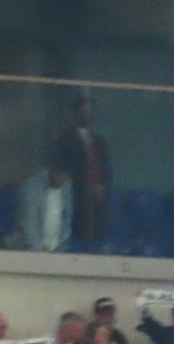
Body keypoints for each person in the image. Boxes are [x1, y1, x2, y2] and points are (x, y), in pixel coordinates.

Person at [52, 96, 111, 251]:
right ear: (76, 113)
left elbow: (105, 168)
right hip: (76, 197)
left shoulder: (99, 141)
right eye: (84, 111)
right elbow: (61, 167)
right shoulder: (65, 139)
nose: (87, 115)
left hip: (96, 202)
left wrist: (101, 185)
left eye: (90, 111)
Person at [17, 164, 74, 253]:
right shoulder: (33, 188)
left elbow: (67, 216)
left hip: (59, 248)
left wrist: (63, 240)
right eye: (60, 177)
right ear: (52, 173)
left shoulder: (66, 186)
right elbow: (29, 222)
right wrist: (38, 250)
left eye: (66, 179)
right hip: (33, 248)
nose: (63, 181)